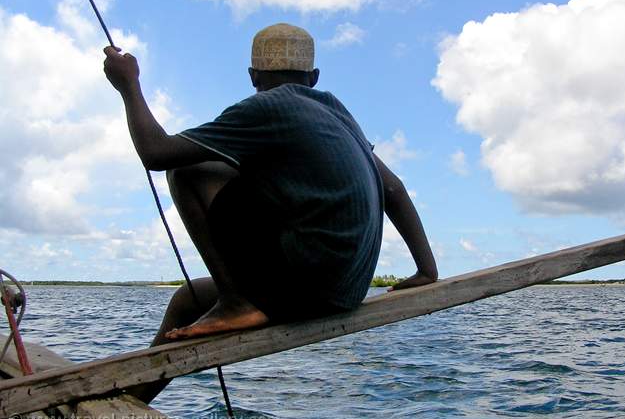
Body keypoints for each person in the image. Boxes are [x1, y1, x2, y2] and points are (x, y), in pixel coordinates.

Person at [103, 23, 437, 348]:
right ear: (314, 78)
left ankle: (236, 303)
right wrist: (426, 269)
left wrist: (129, 85)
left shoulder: (266, 107)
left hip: (308, 289)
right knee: (188, 300)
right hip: (347, 290)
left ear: (253, 77)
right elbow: (393, 189)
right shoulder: (336, 110)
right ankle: (117, 401)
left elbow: (157, 153)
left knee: (186, 170)